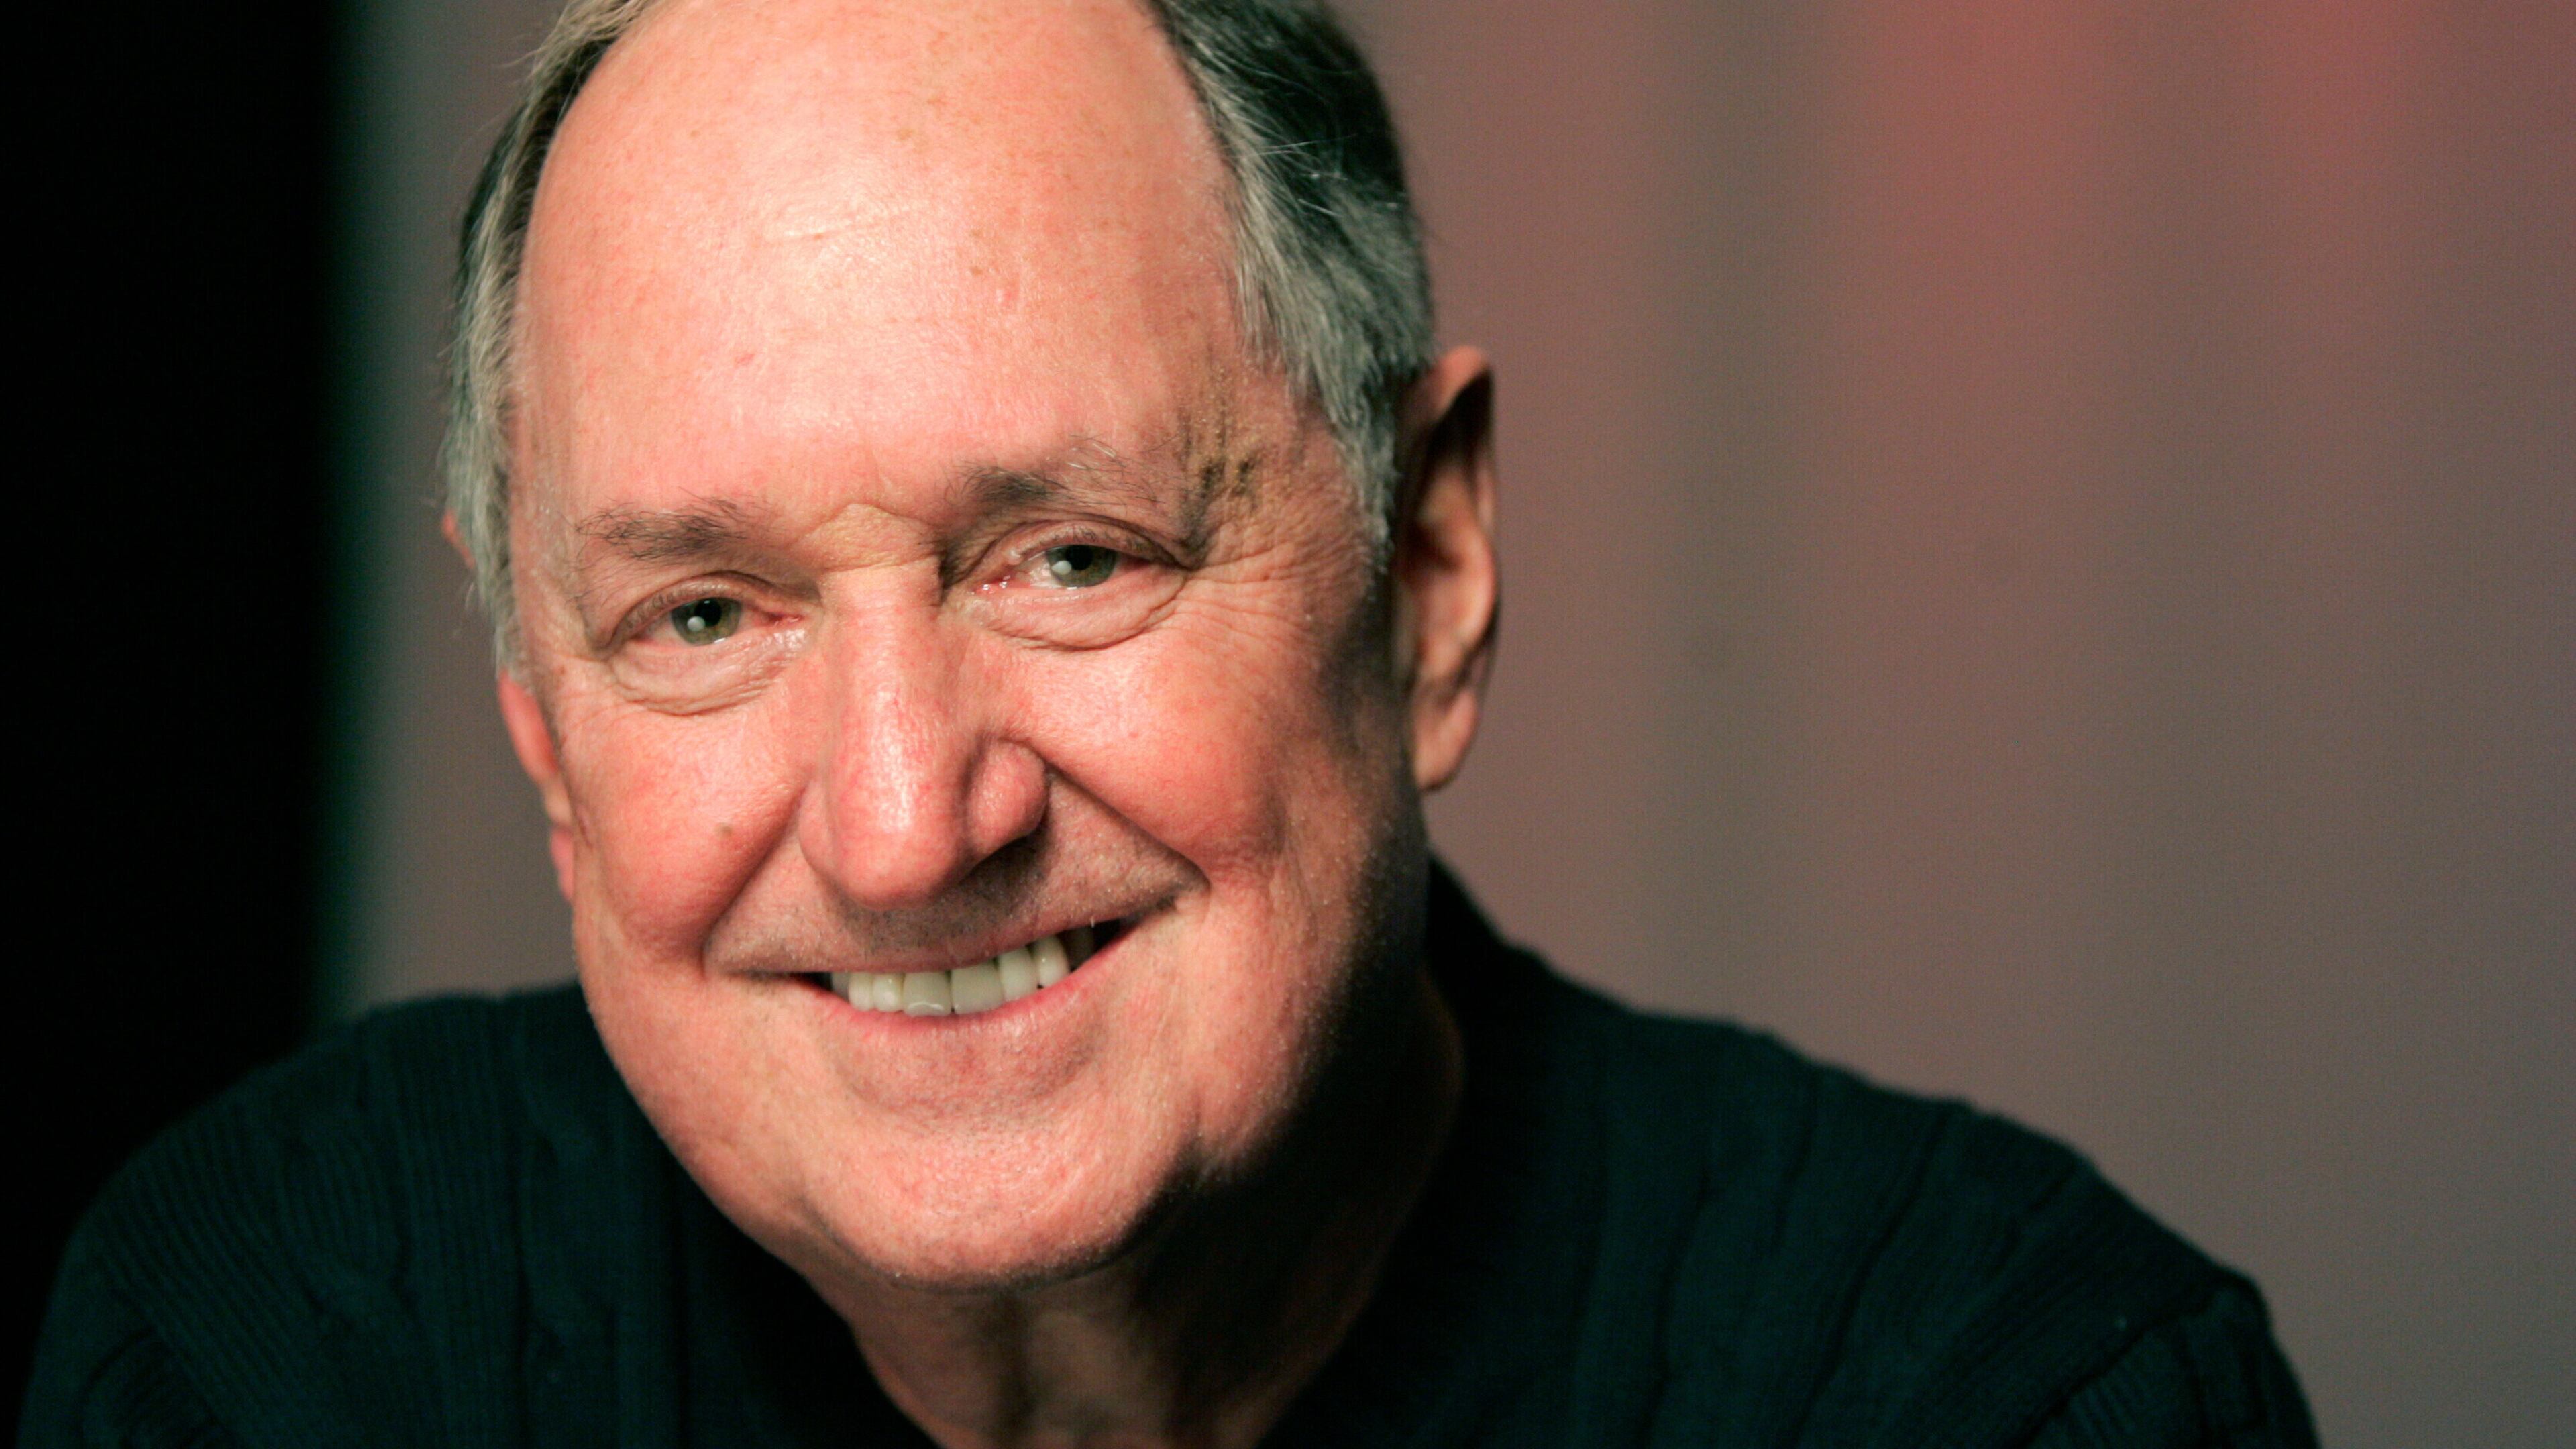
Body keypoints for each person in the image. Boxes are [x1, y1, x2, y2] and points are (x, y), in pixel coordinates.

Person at [25, 1, 2317, 1444]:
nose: (912, 826)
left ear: (1424, 577)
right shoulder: (280, 1338)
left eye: (1073, 557)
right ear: (543, 735)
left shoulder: (2006, 1392)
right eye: (707, 613)